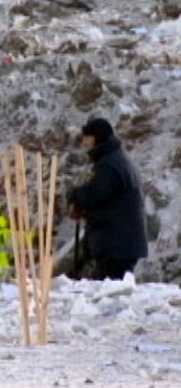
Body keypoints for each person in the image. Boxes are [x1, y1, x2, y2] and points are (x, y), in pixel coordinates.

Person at [66, 117, 148, 280]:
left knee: (107, 292)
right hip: (122, 243)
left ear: (96, 138)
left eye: (86, 138)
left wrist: (73, 194)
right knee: (111, 289)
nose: (84, 143)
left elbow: (91, 195)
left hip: (116, 245)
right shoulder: (117, 160)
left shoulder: (108, 166)